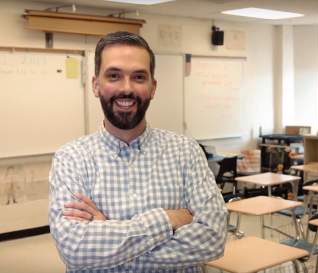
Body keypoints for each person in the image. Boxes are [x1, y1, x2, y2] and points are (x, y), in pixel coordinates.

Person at [49, 31, 227, 273]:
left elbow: (212, 240)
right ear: (96, 85)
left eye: (139, 77)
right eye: (114, 76)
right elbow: (75, 249)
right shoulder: (71, 158)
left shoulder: (186, 151)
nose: (126, 88)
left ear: (153, 87)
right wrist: (168, 219)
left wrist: (108, 233)